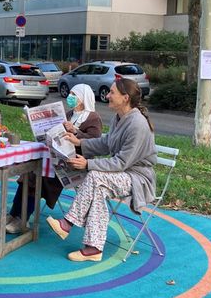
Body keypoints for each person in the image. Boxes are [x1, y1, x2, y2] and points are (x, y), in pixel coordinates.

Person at [46, 78, 157, 262]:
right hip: (123, 173)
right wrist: (79, 142)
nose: (107, 96)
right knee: (97, 188)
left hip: (137, 177)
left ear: (125, 98)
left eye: (112, 92)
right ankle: (94, 248)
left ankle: (68, 223)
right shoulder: (119, 118)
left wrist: (88, 164)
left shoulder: (137, 124)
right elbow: (106, 143)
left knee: (95, 176)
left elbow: (121, 162)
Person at [6, 84, 103, 233]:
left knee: (37, 175)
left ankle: (22, 218)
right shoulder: (70, 114)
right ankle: (14, 213)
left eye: (73, 94)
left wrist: (76, 132)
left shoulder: (93, 117)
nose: (70, 97)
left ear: (83, 98)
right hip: (58, 156)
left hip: (75, 163)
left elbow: (95, 142)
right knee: (29, 170)